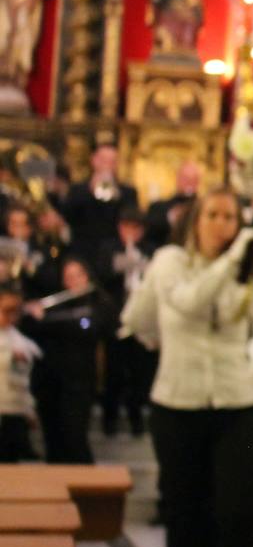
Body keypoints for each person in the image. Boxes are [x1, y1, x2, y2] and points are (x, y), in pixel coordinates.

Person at [121, 188, 253, 547]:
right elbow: (186, 305)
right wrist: (233, 261)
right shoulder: (171, 260)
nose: (221, 224)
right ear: (195, 220)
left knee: (235, 515)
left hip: (238, 402)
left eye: (230, 217)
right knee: (185, 514)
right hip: (179, 404)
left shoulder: (246, 269)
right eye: (212, 214)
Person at [23, 257, 115, 464]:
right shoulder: (53, 303)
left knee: (75, 438)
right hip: (49, 380)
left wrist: (45, 321)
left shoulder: (99, 302)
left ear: (87, 276)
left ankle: (87, 490)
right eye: (68, 277)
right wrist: (37, 316)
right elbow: (32, 328)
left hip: (79, 382)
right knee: (53, 442)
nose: (73, 281)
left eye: (78, 275)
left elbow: (89, 328)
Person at [96, 205, 155, 436]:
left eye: (136, 228)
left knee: (139, 372)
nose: (131, 232)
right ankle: (109, 418)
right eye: (126, 227)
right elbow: (102, 275)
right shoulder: (109, 248)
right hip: (116, 317)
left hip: (141, 318)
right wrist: (125, 262)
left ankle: (136, 417)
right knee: (114, 371)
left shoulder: (150, 250)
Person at [61, 144, 137, 264]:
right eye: (104, 160)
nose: (107, 165)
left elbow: (131, 219)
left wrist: (116, 194)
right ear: (94, 161)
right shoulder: (77, 190)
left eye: (112, 162)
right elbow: (68, 216)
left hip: (113, 253)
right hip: (83, 253)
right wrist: (90, 190)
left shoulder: (127, 192)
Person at [0, 281, 41, 462]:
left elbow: (24, 378)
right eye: (6, 311)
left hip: (15, 409)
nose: (11, 317)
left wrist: (29, 409)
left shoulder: (18, 338)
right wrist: (9, 358)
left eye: (14, 311)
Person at [145, 161, 203, 251]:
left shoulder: (204, 210)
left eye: (193, 179)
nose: (189, 183)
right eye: (186, 178)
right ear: (177, 178)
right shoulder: (158, 208)